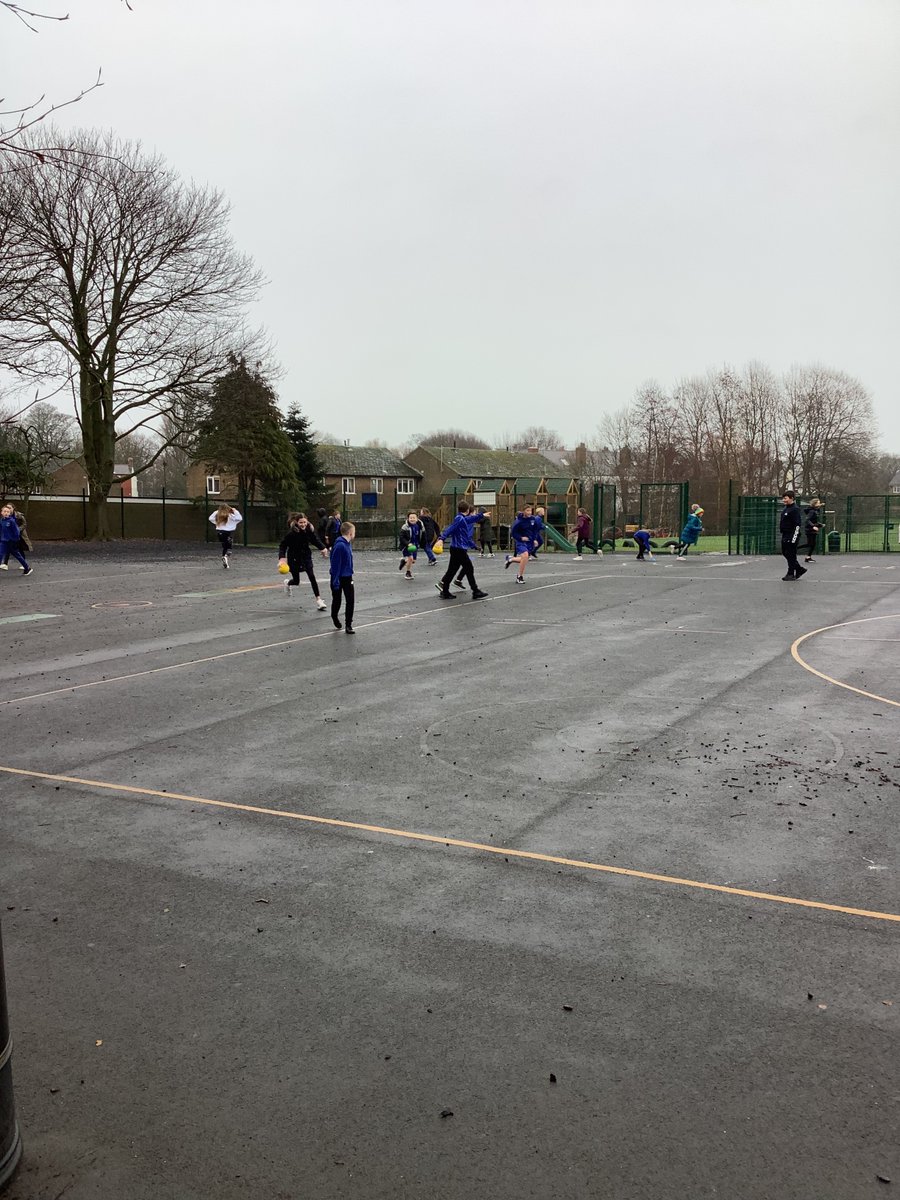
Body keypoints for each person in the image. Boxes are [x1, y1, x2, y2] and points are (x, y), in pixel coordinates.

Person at [436, 502, 488, 600]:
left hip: (456, 548)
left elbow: (470, 519)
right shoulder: (459, 519)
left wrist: (481, 515)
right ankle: (475, 591)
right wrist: (441, 538)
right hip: (459, 549)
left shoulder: (461, 518)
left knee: (452, 570)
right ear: (467, 510)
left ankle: (445, 591)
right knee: (469, 568)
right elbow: (450, 529)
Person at [278, 512, 329, 609]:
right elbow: (283, 546)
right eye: (301, 522)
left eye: (304, 522)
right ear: (296, 522)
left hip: (306, 557)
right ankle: (288, 583)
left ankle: (319, 600)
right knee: (296, 581)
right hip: (294, 558)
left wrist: (323, 548)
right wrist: (282, 559)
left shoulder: (309, 529)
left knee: (312, 577)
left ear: (307, 521)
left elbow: (315, 540)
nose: (303, 524)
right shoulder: (291, 533)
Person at [329, 521, 356, 633]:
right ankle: (334, 616)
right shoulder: (340, 545)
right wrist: (335, 581)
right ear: (350, 532)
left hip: (348, 576)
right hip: (339, 577)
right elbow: (335, 565)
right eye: (354, 531)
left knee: (350, 600)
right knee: (337, 600)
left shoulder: (347, 544)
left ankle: (348, 624)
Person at [505, 505, 537, 584]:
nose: (529, 512)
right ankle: (519, 577)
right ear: (523, 511)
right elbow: (513, 533)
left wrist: (534, 539)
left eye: (530, 511)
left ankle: (511, 559)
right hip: (521, 542)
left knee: (524, 559)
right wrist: (521, 538)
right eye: (527, 511)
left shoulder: (533, 519)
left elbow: (534, 530)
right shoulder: (518, 521)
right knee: (525, 555)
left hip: (529, 542)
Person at [780, 491, 806, 581]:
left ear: (791, 498)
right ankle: (799, 569)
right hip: (785, 534)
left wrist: (793, 538)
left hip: (791, 535)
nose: (784, 500)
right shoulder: (786, 508)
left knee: (791, 554)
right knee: (785, 552)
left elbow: (797, 524)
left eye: (786, 498)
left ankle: (791, 573)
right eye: (783, 498)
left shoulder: (795, 509)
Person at [0, 504, 33, 575]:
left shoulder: (11, 521)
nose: (6, 513)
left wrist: (15, 540)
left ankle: (27, 568)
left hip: (11, 542)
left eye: (7, 512)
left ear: (9, 513)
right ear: (1, 512)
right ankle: (27, 568)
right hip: (4, 541)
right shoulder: (2, 521)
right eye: (4, 511)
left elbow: (16, 532)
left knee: (17, 555)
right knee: (0, 554)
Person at [209, 504, 242, 568]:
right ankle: (226, 555)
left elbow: (210, 518)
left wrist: (216, 518)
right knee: (228, 547)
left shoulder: (218, 516)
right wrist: (235, 511)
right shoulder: (231, 516)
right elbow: (239, 518)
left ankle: (224, 557)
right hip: (229, 533)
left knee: (224, 546)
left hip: (220, 533)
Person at [398, 511, 425, 579]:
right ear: (408, 518)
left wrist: (423, 543)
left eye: (414, 518)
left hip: (415, 545)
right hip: (406, 546)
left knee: (413, 561)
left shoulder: (419, 526)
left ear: (417, 518)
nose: (412, 519)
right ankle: (408, 573)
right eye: (410, 518)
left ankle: (404, 561)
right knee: (410, 558)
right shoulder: (405, 527)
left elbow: (423, 535)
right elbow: (401, 537)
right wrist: (408, 543)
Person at [803, 498, 824, 563]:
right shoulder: (812, 511)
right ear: (814, 504)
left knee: (811, 544)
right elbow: (807, 520)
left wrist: (820, 525)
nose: (819, 504)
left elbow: (814, 521)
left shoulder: (815, 511)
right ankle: (794, 549)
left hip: (811, 529)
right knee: (811, 544)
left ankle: (808, 557)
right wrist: (813, 526)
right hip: (809, 530)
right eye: (818, 503)